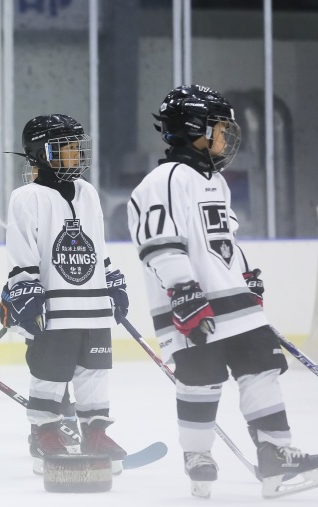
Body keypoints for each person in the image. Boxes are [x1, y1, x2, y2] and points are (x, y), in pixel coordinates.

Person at [127, 84, 318, 499]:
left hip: (234, 302)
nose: (226, 136)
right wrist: (184, 291)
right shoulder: (162, 180)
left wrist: (245, 274)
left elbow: (224, 240)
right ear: (193, 126)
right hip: (191, 305)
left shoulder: (214, 181)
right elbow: (158, 243)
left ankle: (276, 457)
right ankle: (198, 456)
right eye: (218, 127)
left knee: (262, 367)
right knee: (201, 379)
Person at [0, 114, 128, 476]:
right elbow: (22, 252)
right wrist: (25, 291)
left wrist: (112, 281)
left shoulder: (88, 192)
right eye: (67, 147)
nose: (76, 154)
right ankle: (46, 431)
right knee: (50, 373)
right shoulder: (26, 197)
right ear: (42, 152)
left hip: (92, 303)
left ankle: (95, 432)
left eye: (76, 146)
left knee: (95, 372)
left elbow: (98, 249)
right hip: (54, 309)